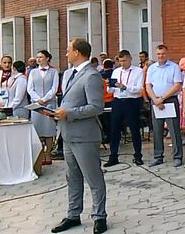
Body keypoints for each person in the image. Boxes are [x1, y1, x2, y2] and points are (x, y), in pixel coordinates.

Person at [50, 38, 107, 234]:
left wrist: (70, 114)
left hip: (84, 135)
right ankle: (73, 213)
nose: (66, 54)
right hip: (68, 133)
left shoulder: (91, 75)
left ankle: (99, 215)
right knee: (72, 177)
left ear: (77, 53)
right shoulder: (71, 74)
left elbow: (97, 107)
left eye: (68, 50)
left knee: (93, 177)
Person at [145, 44, 183, 167]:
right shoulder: (151, 68)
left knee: (174, 130)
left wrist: (162, 98)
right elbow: (148, 85)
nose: (161, 56)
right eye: (158, 54)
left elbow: (177, 85)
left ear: (167, 54)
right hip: (155, 101)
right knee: (157, 130)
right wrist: (155, 99)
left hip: (170, 100)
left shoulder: (174, 67)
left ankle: (177, 156)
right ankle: (158, 156)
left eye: (163, 54)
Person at [104, 50, 144, 167]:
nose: (122, 63)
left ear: (130, 59)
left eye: (124, 60)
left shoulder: (138, 71)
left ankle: (138, 155)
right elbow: (111, 90)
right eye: (120, 61)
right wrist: (109, 86)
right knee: (115, 129)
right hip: (117, 101)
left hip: (131, 101)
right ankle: (113, 156)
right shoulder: (116, 71)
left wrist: (124, 87)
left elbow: (139, 89)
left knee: (134, 129)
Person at [27, 50, 59, 165]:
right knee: (38, 129)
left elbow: (54, 88)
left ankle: (48, 154)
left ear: (47, 58)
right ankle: (40, 153)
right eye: (37, 57)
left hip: (49, 103)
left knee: (49, 129)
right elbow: (30, 88)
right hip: (36, 105)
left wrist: (44, 99)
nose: (38, 59)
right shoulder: (33, 72)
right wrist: (37, 99)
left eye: (41, 57)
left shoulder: (53, 72)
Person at [99, 59, 114, 145]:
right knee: (112, 121)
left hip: (104, 100)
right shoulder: (115, 73)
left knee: (105, 122)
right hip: (112, 99)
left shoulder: (101, 76)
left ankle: (107, 137)